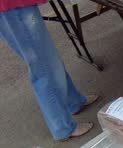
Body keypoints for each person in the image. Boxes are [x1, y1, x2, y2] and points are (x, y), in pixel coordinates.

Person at [0, 0, 98, 140]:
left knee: (49, 59)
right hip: (11, 6)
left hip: (14, 6)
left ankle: (73, 102)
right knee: (44, 67)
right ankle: (63, 128)